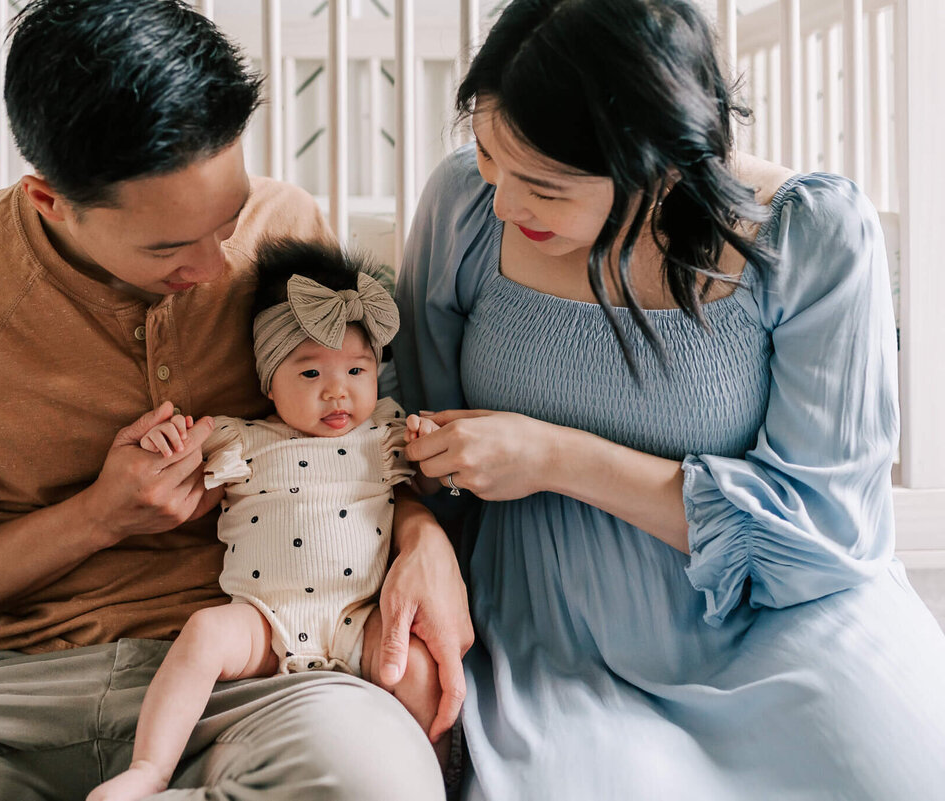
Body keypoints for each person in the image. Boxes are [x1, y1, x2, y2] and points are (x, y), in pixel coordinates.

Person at [0, 1, 470, 799]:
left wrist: (424, 535)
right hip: (14, 694)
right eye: (167, 248)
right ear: (50, 200)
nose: (213, 264)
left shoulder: (282, 231)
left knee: (376, 781)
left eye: (224, 222)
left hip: (265, 677)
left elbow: (358, 450)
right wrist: (97, 516)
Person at [391, 0, 945, 799]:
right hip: (553, 620)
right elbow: (404, 437)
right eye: (485, 153)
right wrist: (421, 533)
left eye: (545, 187)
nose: (505, 201)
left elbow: (826, 531)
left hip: (777, 607)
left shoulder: (813, 234)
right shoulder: (465, 210)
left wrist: (551, 455)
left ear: (660, 165)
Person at [90, 238, 452, 800]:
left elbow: (425, 487)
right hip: (266, 620)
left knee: (421, 669)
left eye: (357, 369)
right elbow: (169, 480)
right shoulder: (241, 440)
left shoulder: (383, 432)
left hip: (364, 615)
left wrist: (430, 451)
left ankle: (438, 778)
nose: (338, 391)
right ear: (267, 382)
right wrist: (164, 441)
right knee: (206, 633)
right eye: (310, 375)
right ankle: (149, 770)